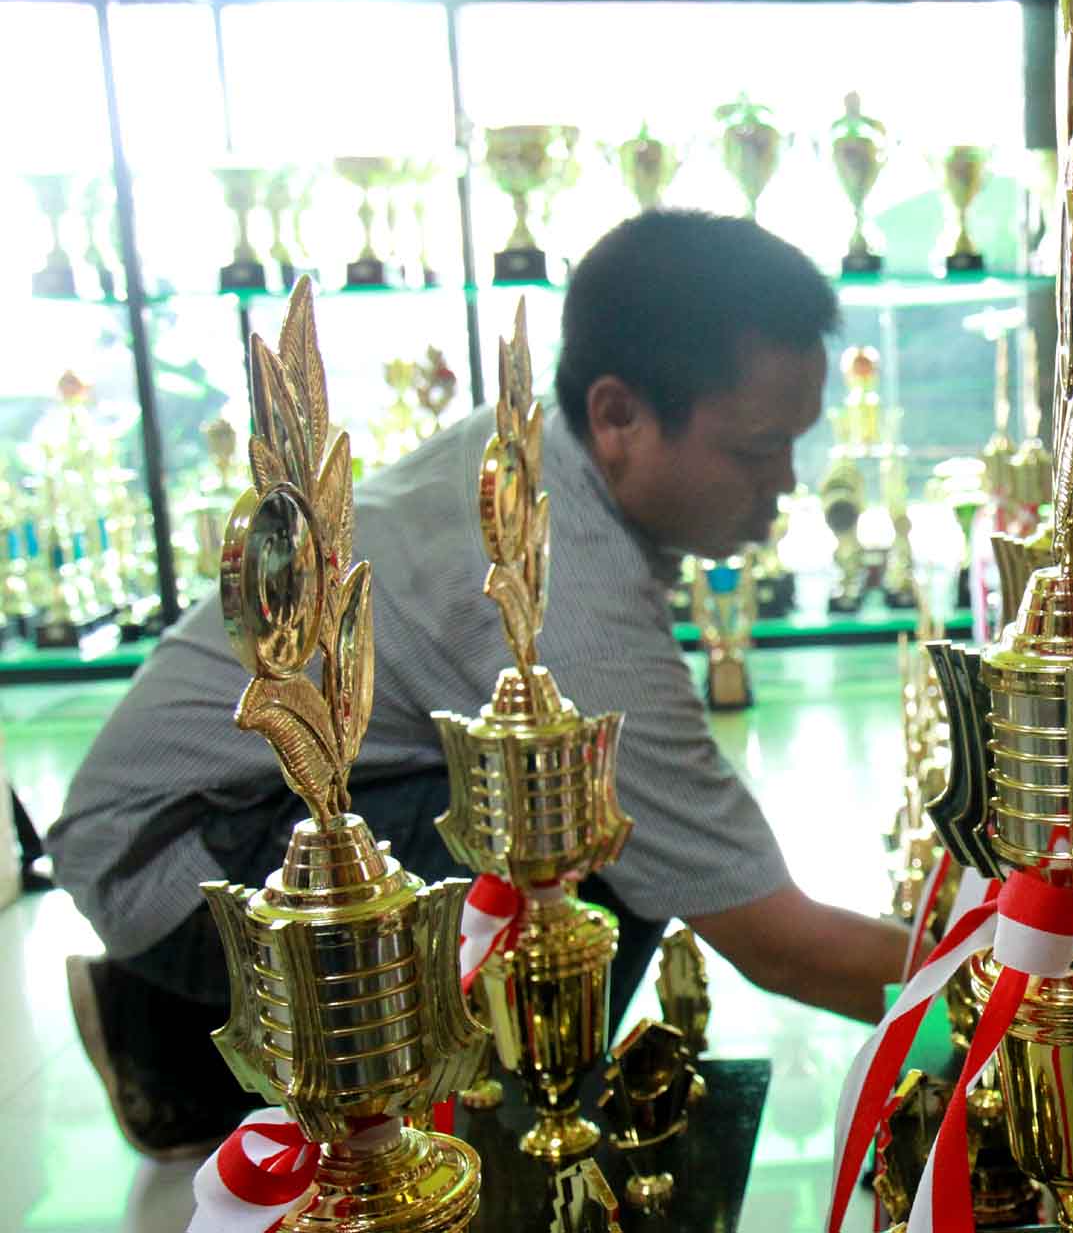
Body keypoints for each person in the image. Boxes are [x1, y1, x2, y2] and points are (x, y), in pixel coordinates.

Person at [48, 210, 913, 1159]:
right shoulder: (554, 583)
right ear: (619, 415)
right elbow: (770, 935)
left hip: (187, 825)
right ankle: (497, 1151)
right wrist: (1013, 991)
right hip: (174, 858)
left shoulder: (530, 451)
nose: (786, 481)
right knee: (573, 837)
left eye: (793, 444)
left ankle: (173, 1042)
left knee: (569, 815)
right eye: (754, 451)